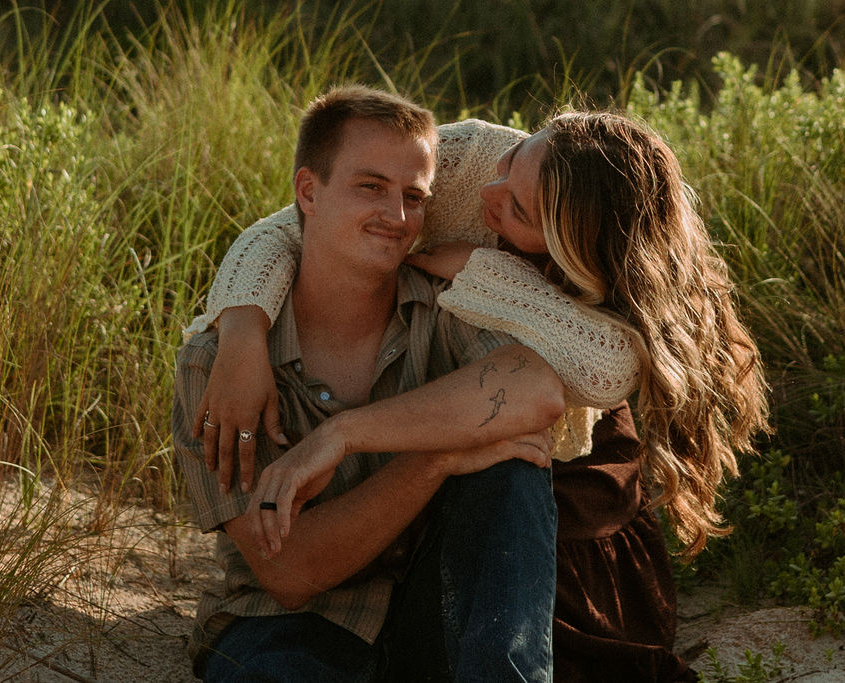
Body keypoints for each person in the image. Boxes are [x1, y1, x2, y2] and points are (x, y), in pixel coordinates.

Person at [193, 110, 769, 681]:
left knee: (511, 454)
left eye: (517, 210)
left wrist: (480, 271)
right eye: (512, 163)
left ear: (573, 254)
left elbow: (595, 367)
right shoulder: (463, 161)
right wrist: (243, 329)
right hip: (459, 414)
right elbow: (295, 221)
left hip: (554, 443)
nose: (489, 195)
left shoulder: (560, 286)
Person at [173, 85, 571, 682]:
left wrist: (343, 435)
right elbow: (289, 574)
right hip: (292, 628)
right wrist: (438, 455)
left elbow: (538, 391)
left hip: (429, 610)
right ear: (309, 191)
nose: (399, 216)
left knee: (510, 468)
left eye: (414, 196)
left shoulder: (447, 309)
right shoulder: (220, 363)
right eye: (371, 187)